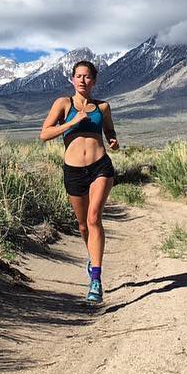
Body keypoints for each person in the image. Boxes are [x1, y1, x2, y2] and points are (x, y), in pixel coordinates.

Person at [39, 60, 118, 304]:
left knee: (94, 218)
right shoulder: (63, 104)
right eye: (79, 76)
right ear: (72, 79)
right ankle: (92, 259)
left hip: (100, 167)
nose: (83, 80)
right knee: (83, 226)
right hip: (73, 171)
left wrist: (113, 141)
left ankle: (96, 279)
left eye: (88, 77)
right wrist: (71, 122)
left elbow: (109, 132)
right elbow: (44, 134)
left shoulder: (102, 107)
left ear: (94, 81)